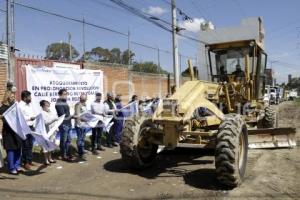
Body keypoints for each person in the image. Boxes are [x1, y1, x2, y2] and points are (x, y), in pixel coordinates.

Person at [0, 91, 23, 175]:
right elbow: (6, 121)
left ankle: (17, 165)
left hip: (17, 131)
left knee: (18, 148)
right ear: (7, 97)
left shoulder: (14, 106)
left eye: (14, 96)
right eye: (12, 96)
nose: (14, 98)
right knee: (11, 150)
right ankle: (12, 168)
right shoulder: (3, 108)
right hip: (8, 132)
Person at [19, 90, 36, 170]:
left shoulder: (29, 105)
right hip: (24, 127)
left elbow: (32, 114)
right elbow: (20, 117)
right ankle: (25, 162)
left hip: (31, 126)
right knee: (25, 145)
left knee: (30, 144)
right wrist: (30, 118)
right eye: (29, 97)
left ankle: (29, 160)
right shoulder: (20, 106)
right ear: (25, 97)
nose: (30, 98)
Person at [55, 89, 73, 162]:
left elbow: (67, 113)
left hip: (69, 123)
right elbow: (63, 115)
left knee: (68, 140)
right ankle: (63, 155)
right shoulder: (58, 103)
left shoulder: (65, 102)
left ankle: (68, 153)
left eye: (66, 94)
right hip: (63, 124)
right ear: (60, 95)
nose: (66, 95)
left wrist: (71, 116)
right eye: (64, 94)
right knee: (63, 140)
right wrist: (72, 116)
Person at [40, 100, 57, 165]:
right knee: (45, 146)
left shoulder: (50, 112)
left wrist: (56, 126)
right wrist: (54, 119)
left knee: (51, 145)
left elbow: (55, 119)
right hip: (46, 132)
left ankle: (50, 158)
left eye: (49, 105)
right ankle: (46, 160)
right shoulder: (41, 113)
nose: (48, 106)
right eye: (47, 105)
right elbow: (46, 122)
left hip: (52, 131)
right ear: (43, 106)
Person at [74, 94, 88, 159]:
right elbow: (77, 116)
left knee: (83, 138)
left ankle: (82, 149)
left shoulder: (84, 104)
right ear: (81, 98)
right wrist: (80, 124)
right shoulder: (78, 105)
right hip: (79, 125)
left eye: (86, 99)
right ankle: (80, 153)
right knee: (80, 139)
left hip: (84, 124)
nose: (86, 100)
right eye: (85, 99)